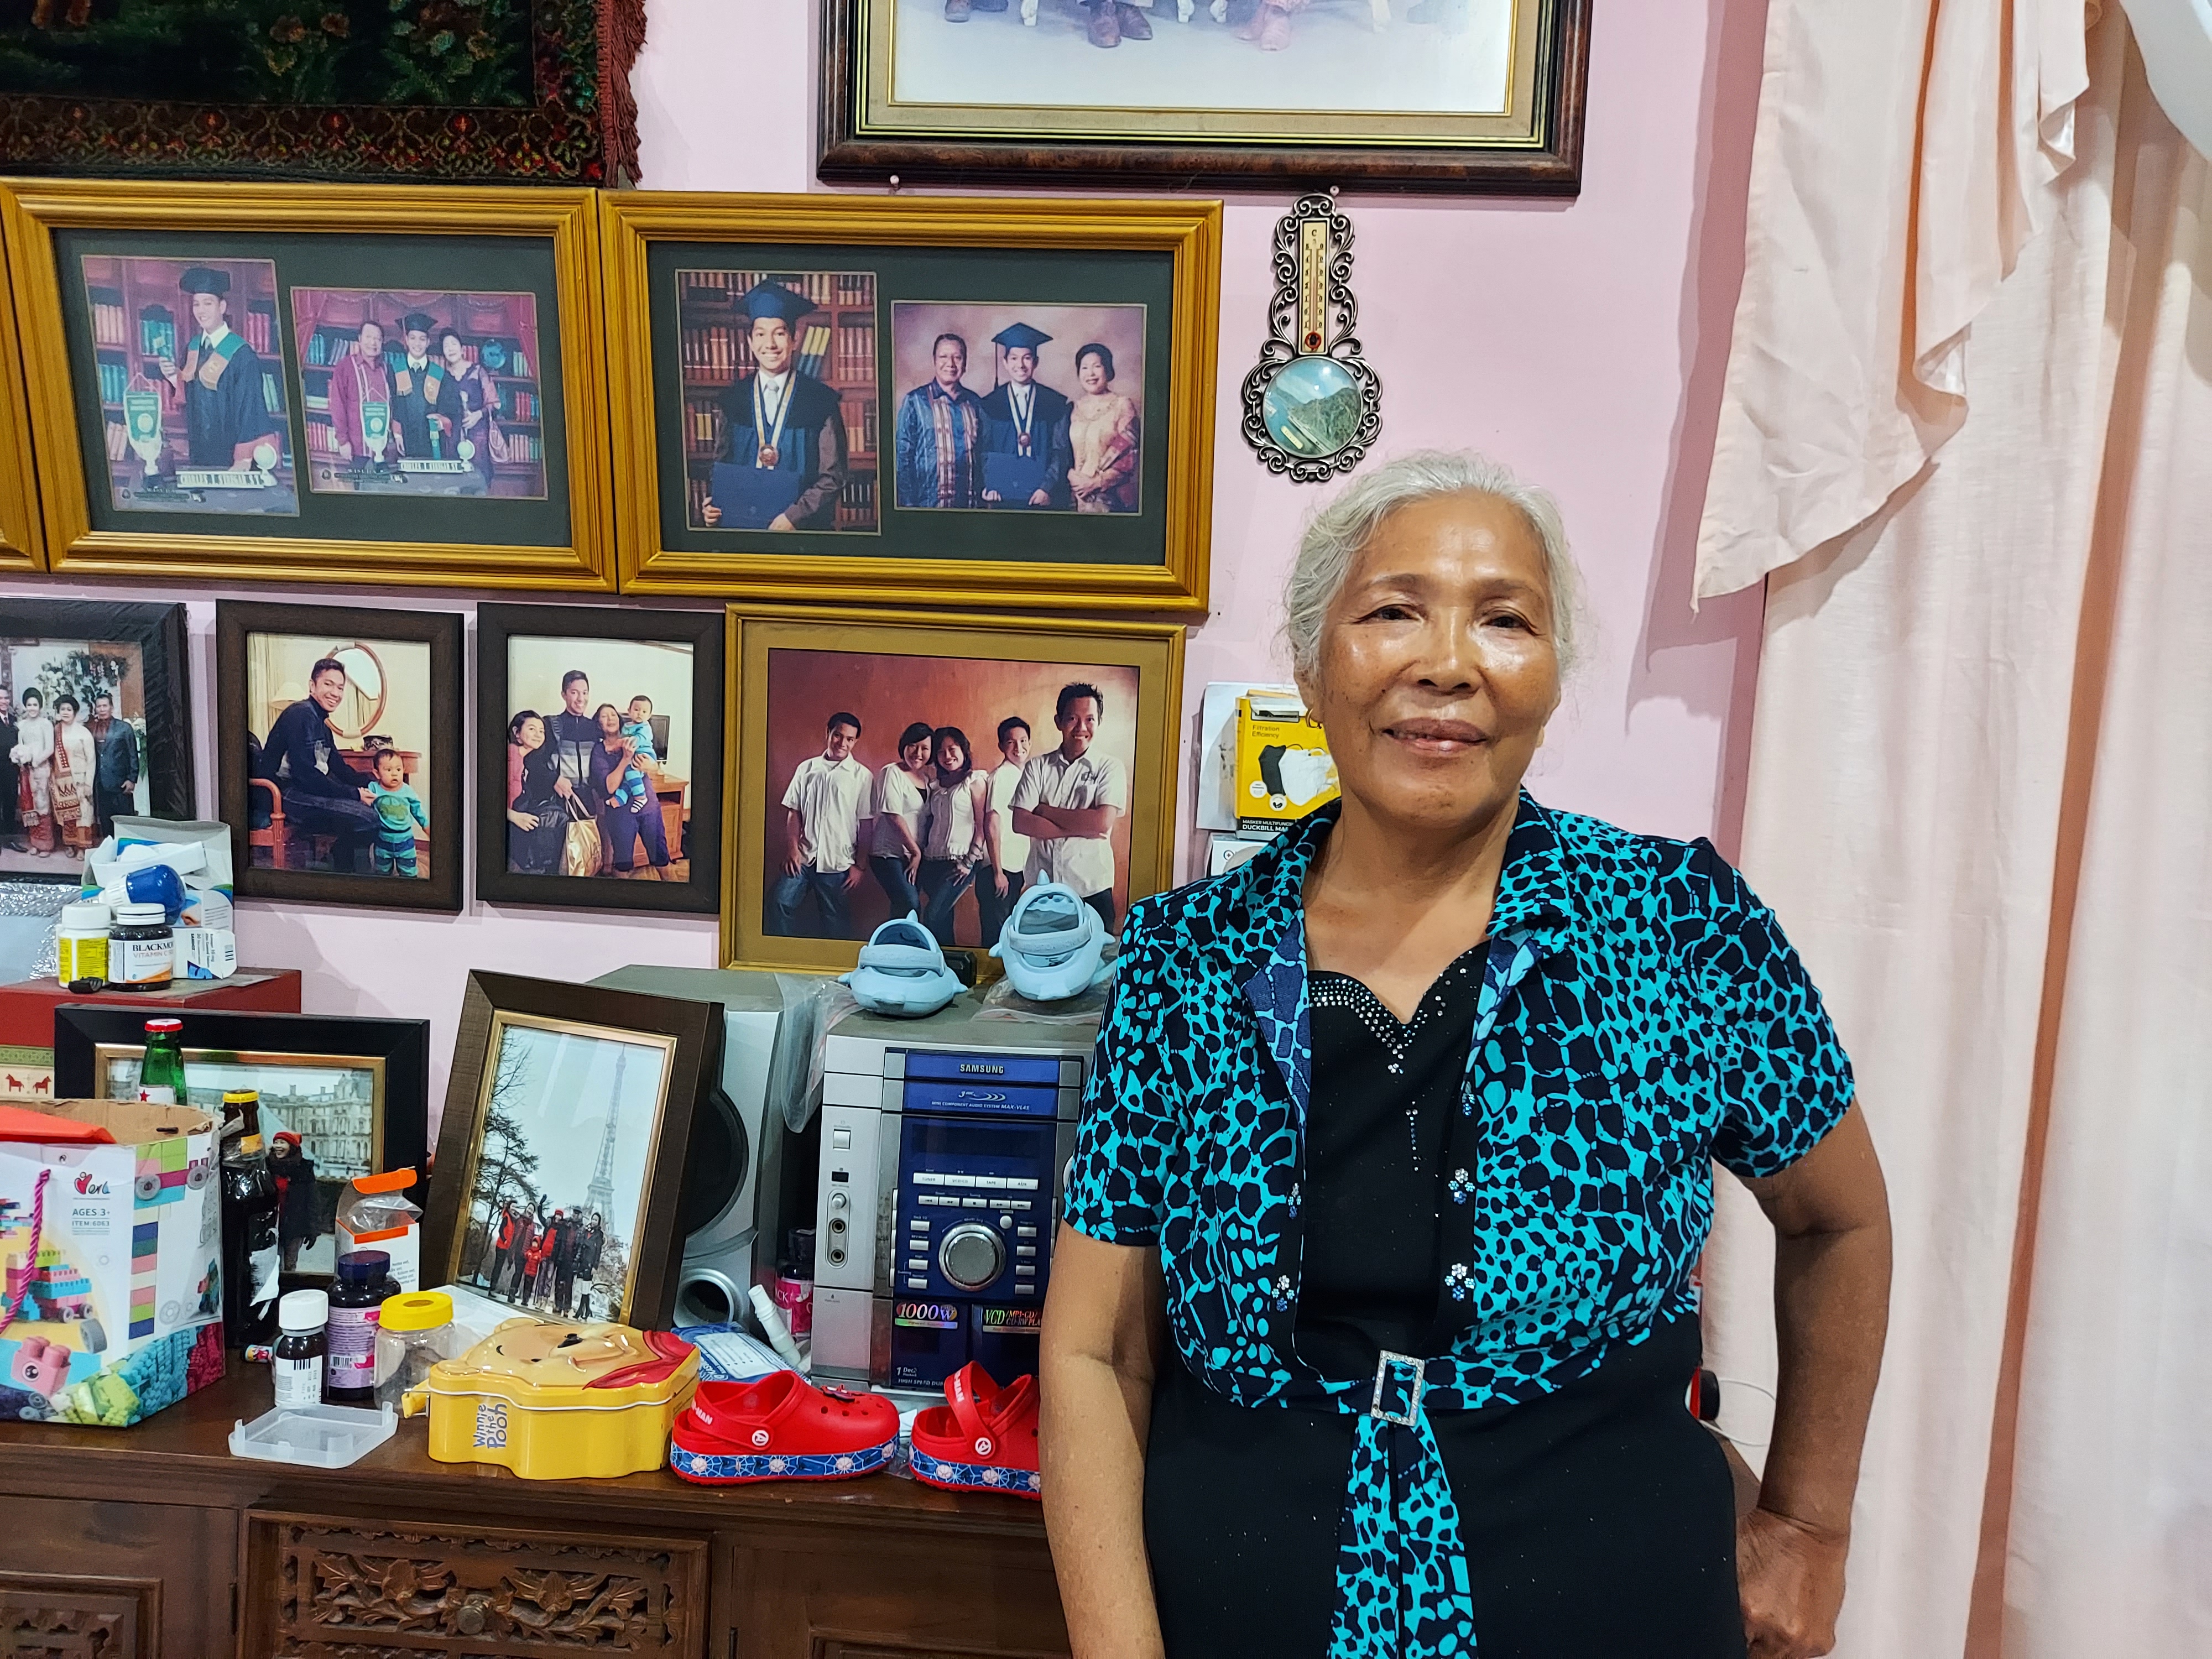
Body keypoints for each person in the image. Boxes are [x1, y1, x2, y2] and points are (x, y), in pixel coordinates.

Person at [1039, 451, 1892, 1659]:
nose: (1445, 662)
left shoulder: (1679, 925)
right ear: (1310, 663)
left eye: (1503, 618)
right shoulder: (1187, 961)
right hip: (1238, 1601)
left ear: (1549, 676)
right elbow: (1093, 1351)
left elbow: (1838, 1223)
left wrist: (1808, 1528)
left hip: (1620, 1603)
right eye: (1392, 611)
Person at [701, 281, 849, 533]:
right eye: (760, 334)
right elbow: (722, 466)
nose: (769, 344)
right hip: (743, 534)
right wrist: (713, 504)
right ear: (750, 341)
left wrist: (794, 516)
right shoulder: (733, 399)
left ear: (795, 339)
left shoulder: (821, 401)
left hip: (802, 534)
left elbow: (833, 477)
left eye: (779, 334)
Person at [1011, 684, 1128, 932]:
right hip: (1043, 893)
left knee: (1096, 967)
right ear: (1059, 721)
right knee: (1041, 965)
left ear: (1099, 722)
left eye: (1090, 719)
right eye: (1073, 719)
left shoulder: (1110, 767)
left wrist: (1046, 811)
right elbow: (1020, 822)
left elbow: (1101, 823)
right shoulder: (1037, 767)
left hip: (1092, 892)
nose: (1081, 728)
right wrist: (1081, 827)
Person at [255, 656, 380, 872]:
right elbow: (305, 776)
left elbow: (339, 769)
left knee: (369, 813)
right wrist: (354, 794)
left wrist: (373, 783)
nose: (335, 693)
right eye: (328, 684)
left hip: (305, 789)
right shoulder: (300, 715)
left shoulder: (323, 726)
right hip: (283, 792)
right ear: (313, 686)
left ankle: (344, 867)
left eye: (340, 687)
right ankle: (345, 874)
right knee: (366, 819)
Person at [157, 267, 278, 471]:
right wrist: (173, 378)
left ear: (222, 307)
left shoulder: (242, 355)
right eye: (196, 304)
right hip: (200, 453)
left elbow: (251, 409)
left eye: (208, 303)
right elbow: (191, 399)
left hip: (233, 459)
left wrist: (243, 458)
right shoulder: (192, 348)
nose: (201, 311)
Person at [771, 712, 871, 938]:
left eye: (849, 739)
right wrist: (792, 849)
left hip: (838, 863)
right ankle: (782, 959)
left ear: (855, 741)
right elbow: (794, 811)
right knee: (779, 903)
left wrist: (860, 866)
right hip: (804, 858)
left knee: (835, 923)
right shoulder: (806, 769)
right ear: (828, 733)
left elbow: (866, 825)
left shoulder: (862, 777)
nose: (842, 743)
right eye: (837, 735)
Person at [979, 323, 1074, 511]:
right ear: (1005, 362)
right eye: (1014, 358)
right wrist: (991, 484)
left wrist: (1046, 488)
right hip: (1003, 497)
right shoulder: (990, 404)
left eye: (1027, 358)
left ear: (1036, 362)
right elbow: (984, 450)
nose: (1020, 365)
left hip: (1044, 498)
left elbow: (1060, 451)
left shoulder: (1054, 403)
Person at [919, 726, 995, 948]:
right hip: (932, 861)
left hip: (960, 862)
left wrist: (969, 862)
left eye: (952, 749)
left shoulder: (975, 781)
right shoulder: (935, 786)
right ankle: (945, 973)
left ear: (963, 750)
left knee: (932, 916)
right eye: (941, 752)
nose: (947, 756)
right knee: (942, 922)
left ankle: (937, 964)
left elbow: (982, 824)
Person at [894, 333, 987, 510]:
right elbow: (903, 458)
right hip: (928, 506)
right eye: (944, 357)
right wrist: (908, 505)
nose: (951, 364)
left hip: (970, 506)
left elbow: (983, 454)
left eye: (957, 357)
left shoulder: (975, 403)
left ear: (965, 364)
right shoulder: (916, 401)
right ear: (934, 361)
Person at [589, 703, 672, 879]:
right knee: (623, 864)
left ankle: (677, 897)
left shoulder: (635, 736)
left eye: (613, 714)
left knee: (661, 858)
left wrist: (651, 765)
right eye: (604, 716)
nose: (610, 718)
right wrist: (626, 760)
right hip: (620, 814)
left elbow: (653, 766)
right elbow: (610, 787)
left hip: (649, 808)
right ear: (599, 724)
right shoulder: (599, 751)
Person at [870, 722, 935, 920]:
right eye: (913, 746)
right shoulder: (891, 772)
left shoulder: (926, 779)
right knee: (910, 904)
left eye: (925, 748)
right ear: (904, 746)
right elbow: (893, 815)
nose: (918, 753)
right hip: (888, 855)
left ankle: (897, 949)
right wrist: (915, 851)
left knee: (901, 909)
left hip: (913, 856)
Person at [977, 716, 1032, 951]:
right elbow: (992, 823)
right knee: (996, 938)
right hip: (999, 871)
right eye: (1011, 743)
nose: (1018, 748)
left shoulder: (1025, 775)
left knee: (1011, 933)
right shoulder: (1002, 776)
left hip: (1016, 868)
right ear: (1002, 746)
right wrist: (998, 872)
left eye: (1023, 741)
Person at [1068, 343, 1140, 515]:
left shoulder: (1122, 406)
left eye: (1097, 366)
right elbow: (1063, 452)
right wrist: (1071, 477)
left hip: (1111, 500)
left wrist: (1096, 483)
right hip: (1075, 500)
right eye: (1084, 367)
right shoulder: (1073, 408)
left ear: (1108, 370)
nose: (1090, 374)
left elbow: (1130, 457)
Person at [436, 326, 502, 490]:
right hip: (453, 439)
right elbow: (439, 409)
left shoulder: (478, 371)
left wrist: (478, 415)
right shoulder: (442, 376)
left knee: (479, 485)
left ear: (462, 349)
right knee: (455, 487)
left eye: (453, 344)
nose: (450, 348)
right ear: (443, 353)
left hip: (477, 436)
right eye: (446, 346)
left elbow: (495, 403)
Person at [326, 318, 395, 469]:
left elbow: (393, 405)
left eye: (378, 339)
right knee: (361, 491)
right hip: (357, 449)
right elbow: (337, 405)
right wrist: (343, 442)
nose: (373, 343)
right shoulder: (345, 367)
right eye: (369, 337)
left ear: (382, 342)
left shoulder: (387, 369)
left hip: (383, 450)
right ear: (360, 339)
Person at [505, 710, 567, 875]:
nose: (539, 735)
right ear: (517, 733)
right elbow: (486, 798)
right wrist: (514, 816)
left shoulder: (524, 759)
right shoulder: (511, 756)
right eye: (532, 729)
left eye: (542, 731)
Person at [366, 747, 428, 878]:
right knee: (382, 873)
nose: (395, 774)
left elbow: (418, 811)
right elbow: (364, 802)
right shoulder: (373, 788)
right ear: (377, 774)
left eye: (398, 770)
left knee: (409, 873)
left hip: (405, 840)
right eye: (388, 770)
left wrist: (426, 827)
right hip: (383, 839)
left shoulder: (407, 791)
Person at [390, 312, 445, 461]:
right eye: (413, 338)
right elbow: (393, 404)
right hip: (405, 440)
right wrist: (397, 434)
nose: (417, 344)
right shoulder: (395, 369)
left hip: (432, 442)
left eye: (422, 339)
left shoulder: (438, 373)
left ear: (428, 342)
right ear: (406, 340)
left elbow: (446, 406)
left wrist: (442, 421)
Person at [49, 696, 98, 854]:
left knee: (83, 815)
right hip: (62, 782)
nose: (66, 713)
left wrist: (88, 784)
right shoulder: (56, 731)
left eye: (69, 710)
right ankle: (69, 845)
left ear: (75, 712)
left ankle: (82, 847)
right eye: (63, 709)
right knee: (67, 816)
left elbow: (91, 760)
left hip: (80, 780)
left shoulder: (83, 733)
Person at [546, 670, 602, 806]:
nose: (581, 699)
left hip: (588, 801)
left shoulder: (594, 727)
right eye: (574, 692)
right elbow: (535, 761)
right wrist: (555, 779)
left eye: (585, 692)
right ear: (564, 695)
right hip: (559, 799)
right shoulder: (550, 724)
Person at [88, 692, 138, 839]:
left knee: (124, 822)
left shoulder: (124, 728)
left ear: (111, 707)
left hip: (121, 784)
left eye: (105, 706)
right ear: (95, 709)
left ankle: (127, 851)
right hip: (101, 784)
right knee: (105, 822)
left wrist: (132, 779)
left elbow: (133, 754)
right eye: (99, 706)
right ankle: (110, 851)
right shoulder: (92, 729)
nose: (102, 709)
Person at [9, 689, 54, 856]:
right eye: (29, 705)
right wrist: (21, 759)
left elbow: (49, 748)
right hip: (26, 771)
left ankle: (46, 845)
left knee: (43, 805)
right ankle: (35, 843)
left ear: (40, 706)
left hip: (41, 769)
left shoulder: (46, 724)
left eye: (35, 704)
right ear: (25, 706)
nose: (32, 708)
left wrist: (36, 761)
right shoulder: (21, 725)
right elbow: (20, 747)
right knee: (29, 806)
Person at [267, 1132, 320, 1273]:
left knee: (290, 1266)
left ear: (292, 1146)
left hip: (295, 1225)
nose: (278, 1146)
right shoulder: (267, 1165)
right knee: (272, 1265)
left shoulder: (304, 1168)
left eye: (282, 1142)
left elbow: (312, 1200)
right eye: (276, 1142)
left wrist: (312, 1230)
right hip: (271, 1224)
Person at [0, 687, 18, 849]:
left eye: (6, 698)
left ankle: (10, 840)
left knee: (10, 805)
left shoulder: (13, 720)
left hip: (11, 771)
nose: (4, 701)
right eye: (0, 698)